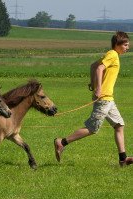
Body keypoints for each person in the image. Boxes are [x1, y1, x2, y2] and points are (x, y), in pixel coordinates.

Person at [54, 31, 133, 167]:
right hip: (104, 99)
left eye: (128, 45)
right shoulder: (112, 54)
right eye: (125, 45)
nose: (128, 47)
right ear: (117, 44)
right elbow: (99, 68)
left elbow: (93, 66)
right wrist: (98, 88)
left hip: (109, 99)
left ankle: (123, 159)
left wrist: (93, 83)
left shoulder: (112, 55)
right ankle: (62, 142)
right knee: (92, 128)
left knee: (119, 125)